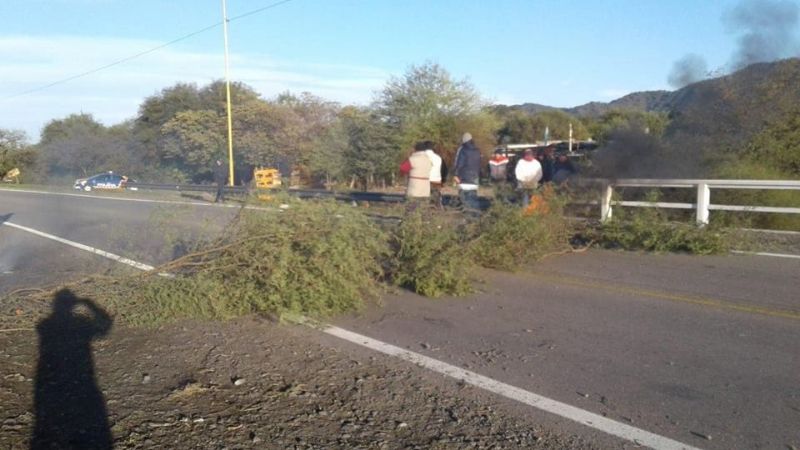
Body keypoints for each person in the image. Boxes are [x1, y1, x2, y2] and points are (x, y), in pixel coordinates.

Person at [399, 142, 433, 210]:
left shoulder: (413, 159)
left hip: (414, 189)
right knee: (424, 210)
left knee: (411, 210)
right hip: (426, 189)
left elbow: (402, 169)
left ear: (415, 149)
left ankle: (411, 220)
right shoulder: (429, 160)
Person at [453, 132, 481, 211]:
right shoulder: (477, 150)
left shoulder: (463, 150)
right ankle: (475, 216)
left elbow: (460, 163)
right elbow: (479, 164)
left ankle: (466, 214)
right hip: (475, 177)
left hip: (464, 177)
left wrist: (456, 174)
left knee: (464, 198)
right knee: (473, 198)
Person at [421, 140, 445, 209]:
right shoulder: (438, 158)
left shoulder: (421, 157)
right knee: (436, 199)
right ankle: (438, 210)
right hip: (436, 181)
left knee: (423, 201)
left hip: (425, 181)